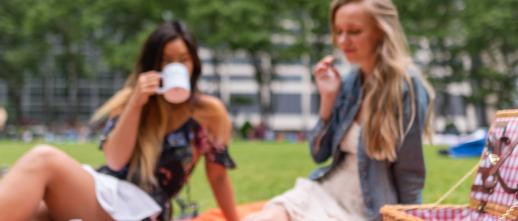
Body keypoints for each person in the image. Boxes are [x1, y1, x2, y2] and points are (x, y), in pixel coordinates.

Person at [0, 20, 239, 221]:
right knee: (29, 207)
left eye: (183, 59)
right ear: (152, 64)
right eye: (166, 60)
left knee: (43, 159)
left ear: (194, 63)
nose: (175, 67)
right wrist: (136, 103)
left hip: (144, 208)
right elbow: (115, 161)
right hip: (108, 191)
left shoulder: (209, 112)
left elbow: (217, 176)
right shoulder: (132, 100)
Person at [245, 0, 435, 220]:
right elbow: (318, 154)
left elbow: (410, 172)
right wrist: (328, 98)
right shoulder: (350, 83)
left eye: (354, 31)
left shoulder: (406, 88)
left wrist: (410, 217)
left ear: (381, 32)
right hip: (326, 191)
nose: (343, 41)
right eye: (338, 32)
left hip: (370, 209)